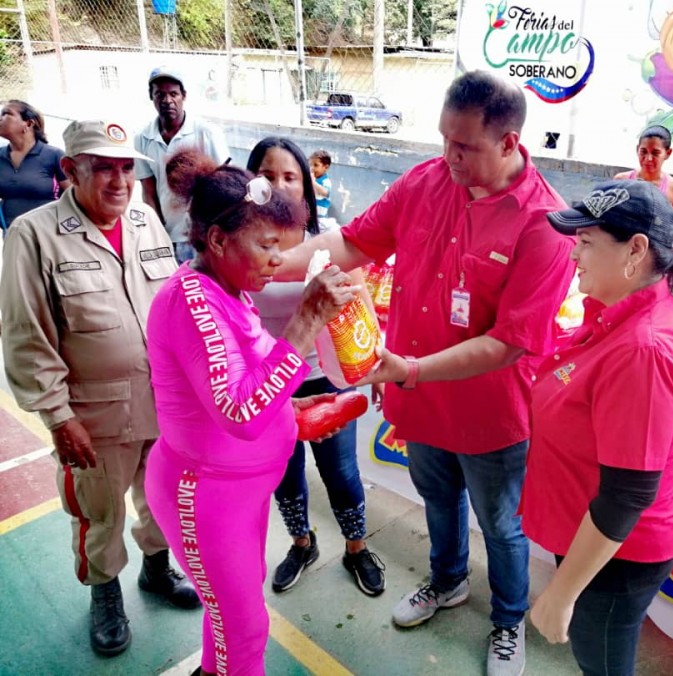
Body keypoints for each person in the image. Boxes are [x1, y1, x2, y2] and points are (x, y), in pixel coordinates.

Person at [278, 70, 575, 676]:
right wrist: (269, 264)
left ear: (510, 143)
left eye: (464, 146)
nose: (449, 156)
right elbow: (353, 244)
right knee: (438, 499)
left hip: (491, 414)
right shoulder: (425, 182)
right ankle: (447, 581)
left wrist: (409, 369)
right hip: (421, 402)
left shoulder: (545, 225)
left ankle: (508, 620)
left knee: (502, 525)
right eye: (444, 139)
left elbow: (508, 344)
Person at [144, 147, 358, 676]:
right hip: (204, 496)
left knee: (231, 618)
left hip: (236, 495)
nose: (276, 260)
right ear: (217, 240)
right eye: (265, 245)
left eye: (279, 247)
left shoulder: (230, 291)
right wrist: (305, 320)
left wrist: (291, 408)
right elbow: (239, 412)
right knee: (243, 630)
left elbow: (242, 383)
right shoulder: (192, 301)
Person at [0, 119, 199, 657]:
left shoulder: (145, 219)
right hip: (94, 414)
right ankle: (105, 593)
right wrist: (59, 418)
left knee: (162, 499)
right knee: (100, 511)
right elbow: (25, 337)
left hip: (163, 403)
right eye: (103, 168)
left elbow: (173, 306)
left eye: (126, 168)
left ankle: (156, 569)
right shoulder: (33, 235)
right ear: (70, 169)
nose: (119, 181)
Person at [520, 180, 673, 676]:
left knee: (601, 660)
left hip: (617, 553)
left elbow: (627, 493)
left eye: (586, 242)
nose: (573, 254)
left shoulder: (643, 351)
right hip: (588, 532)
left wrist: (561, 594)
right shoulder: (616, 316)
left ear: (636, 250)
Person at [246, 137, 386, 597]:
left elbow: (360, 300)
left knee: (340, 472)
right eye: (267, 176)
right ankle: (302, 545)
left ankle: (356, 548)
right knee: (284, 474)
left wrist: (376, 364)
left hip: (327, 379)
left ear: (306, 187)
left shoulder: (327, 241)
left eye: (290, 177)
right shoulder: (240, 248)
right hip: (270, 386)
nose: (279, 186)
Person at [135, 66, 230, 264]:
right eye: (159, 94)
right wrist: (157, 232)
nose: (167, 100)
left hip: (202, 236)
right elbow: (148, 192)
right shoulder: (143, 138)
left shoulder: (206, 132)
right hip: (166, 236)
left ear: (183, 96)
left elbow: (225, 183)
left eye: (173, 94)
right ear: (151, 97)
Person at [0, 100, 70, 226]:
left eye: (6, 114)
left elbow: (75, 198)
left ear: (28, 123)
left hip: (48, 231)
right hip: (12, 232)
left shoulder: (54, 155)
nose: (1, 118)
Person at [614, 125, 673, 223]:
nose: (648, 158)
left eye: (655, 153)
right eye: (643, 151)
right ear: (637, 149)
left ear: (668, 153)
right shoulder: (621, 181)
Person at [309, 149, 332, 219]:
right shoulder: (312, 179)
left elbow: (325, 193)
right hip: (310, 216)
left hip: (320, 218)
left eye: (316, 165)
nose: (312, 168)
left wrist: (313, 183)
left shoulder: (326, 181)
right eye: (311, 165)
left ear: (326, 167)